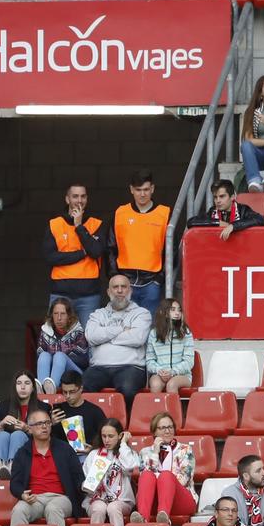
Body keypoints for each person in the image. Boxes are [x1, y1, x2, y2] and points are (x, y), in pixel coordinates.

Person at [9, 408, 82, 526]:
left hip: (61, 498)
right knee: (18, 510)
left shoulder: (65, 449)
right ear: (30, 429)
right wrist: (22, 494)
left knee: (53, 509)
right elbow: (14, 483)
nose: (44, 427)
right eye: (39, 424)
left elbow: (78, 477)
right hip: (34, 499)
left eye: (47, 423)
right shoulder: (23, 453)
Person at [82, 274, 153, 402]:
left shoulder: (142, 313)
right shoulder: (98, 314)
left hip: (131, 367)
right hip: (99, 367)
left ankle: (127, 421)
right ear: (109, 291)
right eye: (115, 287)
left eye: (124, 287)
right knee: (82, 388)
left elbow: (137, 338)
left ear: (130, 291)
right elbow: (91, 336)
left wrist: (105, 337)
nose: (120, 290)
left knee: (128, 388)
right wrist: (121, 329)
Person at [46, 183, 108, 327]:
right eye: (75, 196)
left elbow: (96, 251)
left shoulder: (96, 224)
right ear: (67, 199)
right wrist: (81, 253)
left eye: (83, 196)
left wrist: (79, 226)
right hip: (60, 294)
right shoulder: (54, 224)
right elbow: (50, 257)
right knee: (58, 341)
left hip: (89, 295)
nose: (79, 200)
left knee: (89, 340)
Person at [111, 172, 170, 319]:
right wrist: (115, 276)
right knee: (123, 327)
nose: (142, 194)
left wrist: (159, 279)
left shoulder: (164, 213)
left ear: (152, 189)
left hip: (152, 282)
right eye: (138, 190)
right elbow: (111, 247)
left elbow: (172, 251)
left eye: (146, 189)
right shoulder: (120, 213)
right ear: (131, 189)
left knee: (149, 328)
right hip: (125, 282)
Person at [132, 411, 196, 523]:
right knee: (147, 475)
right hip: (152, 501)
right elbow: (145, 481)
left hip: (180, 500)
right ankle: (142, 519)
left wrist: (163, 479)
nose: (167, 431)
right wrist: (155, 453)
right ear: (154, 431)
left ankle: (164, 518)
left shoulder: (185, 450)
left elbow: (184, 480)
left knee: (166, 476)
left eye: (170, 427)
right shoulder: (145, 452)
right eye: (162, 428)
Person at [81, 418, 139, 526]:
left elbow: (129, 467)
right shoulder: (94, 454)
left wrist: (123, 444)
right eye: (104, 436)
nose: (106, 440)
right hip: (96, 498)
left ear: (120, 436)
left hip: (122, 500)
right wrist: (90, 484)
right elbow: (85, 482)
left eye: (111, 436)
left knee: (113, 507)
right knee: (98, 508)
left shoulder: (128, 453)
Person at [0, 373, 45, 477]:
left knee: (17, 434)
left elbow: (45, 436)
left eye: (27, 383)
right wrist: (1, 425)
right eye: (19, 383)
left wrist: (27, 429)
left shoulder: (42, 407)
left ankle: (12, 468)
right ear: (14, 387)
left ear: (33, 388)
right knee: (2, 435)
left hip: (31, 447)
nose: (22, 387)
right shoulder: (3, 406)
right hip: (4, 448)